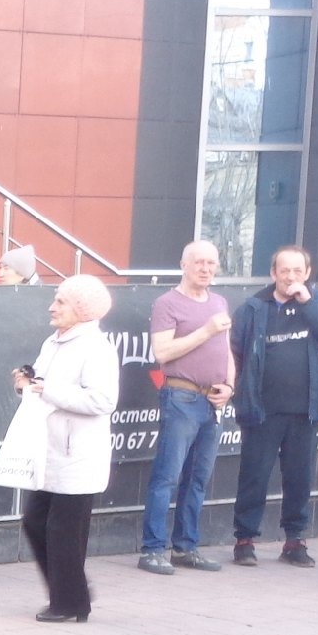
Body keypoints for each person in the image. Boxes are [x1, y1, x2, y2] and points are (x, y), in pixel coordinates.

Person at [227, 244, 318, 568]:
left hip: (305, 410)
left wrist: (307, 302)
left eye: (298, 271)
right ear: (273, 273)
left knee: (300, 478)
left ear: (307, 274)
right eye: (285, 271)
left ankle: (295, 541)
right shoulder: (254, 307)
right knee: (254, 475)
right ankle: (244, 540)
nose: (291, 277)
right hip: (262, 409)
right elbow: (235, 353)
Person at [13, 273, 119, 622]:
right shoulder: (53, 342)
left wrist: (49, 390)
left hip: (78, 456)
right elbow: (42, 384)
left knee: (63, 531)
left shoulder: (96, 348)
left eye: (60, 301)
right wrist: (25, 383)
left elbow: (103, 400)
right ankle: (73, 592)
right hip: (51, 452)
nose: (52, 306)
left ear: (81, 310)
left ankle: (69, 603)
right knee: (35, 523)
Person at [137, 239, 234, 573]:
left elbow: (227, 352)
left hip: (213, 400)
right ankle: (152, 549)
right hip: (181, 396)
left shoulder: (219, 300)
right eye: (199, 263)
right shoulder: (167, 303)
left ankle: (185, 547)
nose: (206, 269)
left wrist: (230, 386)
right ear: (184, 265)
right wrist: (205, 330)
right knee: (168, 475)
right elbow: (163, 353)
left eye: (212, 263)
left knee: (198, 478)